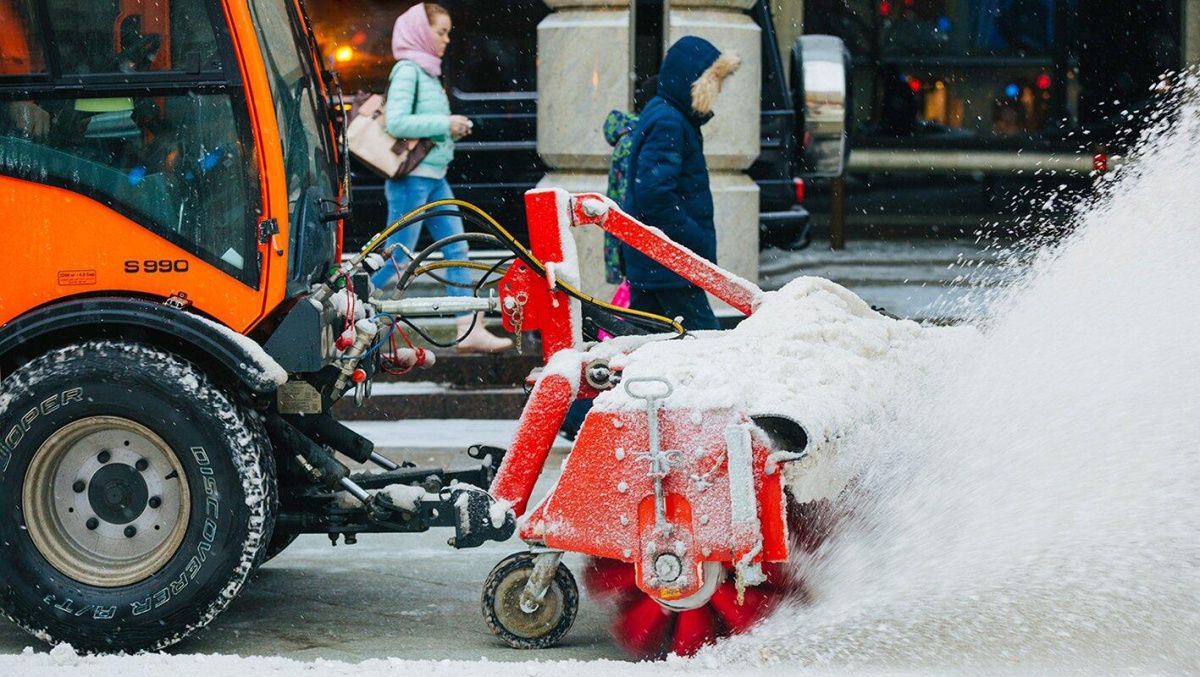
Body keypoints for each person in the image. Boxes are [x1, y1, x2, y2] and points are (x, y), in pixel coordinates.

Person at [373, 2, 512, 353]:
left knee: (456, 250)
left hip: (432, 176)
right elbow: (397, 123)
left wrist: (450, 130)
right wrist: (445, 125)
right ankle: (345, 307)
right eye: (441, 31)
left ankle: (467, 328)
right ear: (421, 32)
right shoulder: (408, 70)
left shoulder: (426, 71)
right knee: (398, 256)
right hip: (412, 178)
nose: (447, 39)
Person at [621, 36, 739, 331]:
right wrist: (692, 238)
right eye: (715, 81)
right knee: (705, 340)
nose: (720, 89)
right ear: (695, 82)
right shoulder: (670, 121)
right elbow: (654, 193)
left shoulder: (667, 114)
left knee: (644, 339)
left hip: (655, 258)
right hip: (668, 259)